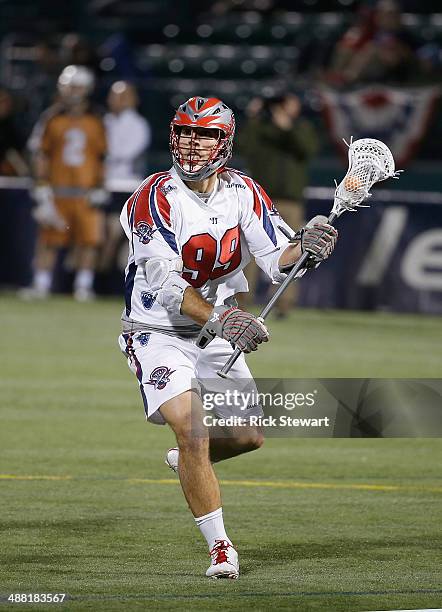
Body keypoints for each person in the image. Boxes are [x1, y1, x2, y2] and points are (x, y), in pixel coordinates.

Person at [118, 96, 338, 579]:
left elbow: (278, 255)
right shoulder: (152, 197)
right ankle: (221, 547)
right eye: (186, 132)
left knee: (246, 436)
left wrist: (311, 243)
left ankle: (186, 461)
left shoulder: (244, 191)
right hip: (158, 331)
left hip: (218, 328)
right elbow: (166, 284)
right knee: (193, 428)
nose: (193, 144)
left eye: (206, 135)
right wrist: (220, 319)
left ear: (226, 142)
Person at [22, 65, 107, 301]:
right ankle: (40, 284)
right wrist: (41, 185)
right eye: (70, 86)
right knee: (48, 240)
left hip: (86, 190)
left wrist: (101, 185)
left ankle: (83, 286)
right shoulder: (52, 118)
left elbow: (103, 156)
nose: (74, 92)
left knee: (88, 241)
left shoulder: (97, 119)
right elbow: (40, 154)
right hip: (58, 189)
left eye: (78, 87)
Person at [238, 93, 318, 317]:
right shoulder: (261, 129)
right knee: (250, 254)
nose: (293, 108)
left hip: (291, 201)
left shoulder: (301, 128)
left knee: (294, 251)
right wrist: (253, 119)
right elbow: (243, 147)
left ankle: (283, 304)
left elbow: (307, 150)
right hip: (261, 202)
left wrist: (287, 128)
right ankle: (241, 302)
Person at [98, 81, 151, 272]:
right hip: (103, 184)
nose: (116, 100)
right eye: (113, 96)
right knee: (98, 234)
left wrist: (101, 155)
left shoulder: (138, 124)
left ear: (133, 99)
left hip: (126, 186)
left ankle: (106, 276)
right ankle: (96, 276)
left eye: (122, 96)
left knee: (117, 235)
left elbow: (124, 154)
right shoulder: (104, 121)